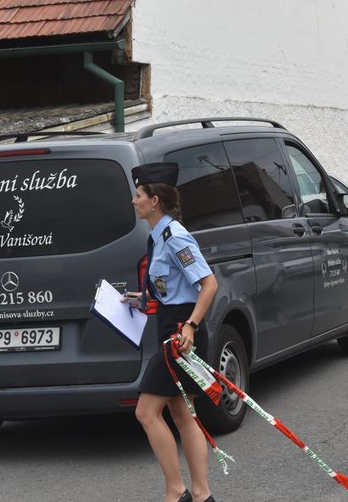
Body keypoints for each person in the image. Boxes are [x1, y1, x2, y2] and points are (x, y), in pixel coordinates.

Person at [126, 162, 219, 502]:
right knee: (183, 413)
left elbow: (208, 284)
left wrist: (191, 327)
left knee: (146, 412)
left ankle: (175, 490)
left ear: (155, 201)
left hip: (181, 333)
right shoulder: (158, 236)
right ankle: (201, 495)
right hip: (169, 322)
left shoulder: (175, 237)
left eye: (138, 195)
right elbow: (171, 288)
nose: (133, 201)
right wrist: (141, 299)